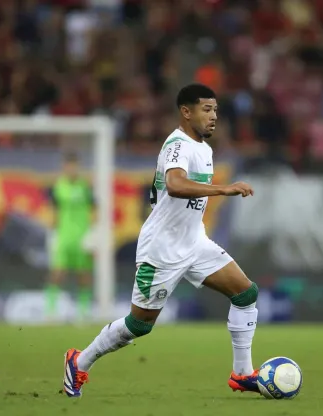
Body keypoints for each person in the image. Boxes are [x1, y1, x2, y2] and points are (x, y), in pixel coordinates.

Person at [62, 84, 260, 397]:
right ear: (186, 111)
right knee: (139, 325)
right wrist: (223, 189)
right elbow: (175, 184)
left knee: (245, 293)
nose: (214, 117)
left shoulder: (203, 149)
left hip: (194, 241)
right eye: (206, 110)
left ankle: (243, 373)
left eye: (216, 110)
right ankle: (79, 361)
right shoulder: (178, 145)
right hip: (163, 248)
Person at [46, 152, 96, 321]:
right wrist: (52, 234)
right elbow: (54, 211)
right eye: (69, 166)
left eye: (74, 166)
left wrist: (93, 234)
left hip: (82, 237)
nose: (71, 169)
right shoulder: (58, 186)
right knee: (57, 273)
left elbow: (94, 209)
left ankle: (83, 311)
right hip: (63, 237)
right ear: (64, 167)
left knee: (84, 274)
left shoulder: (85, 186)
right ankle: (51, 310)